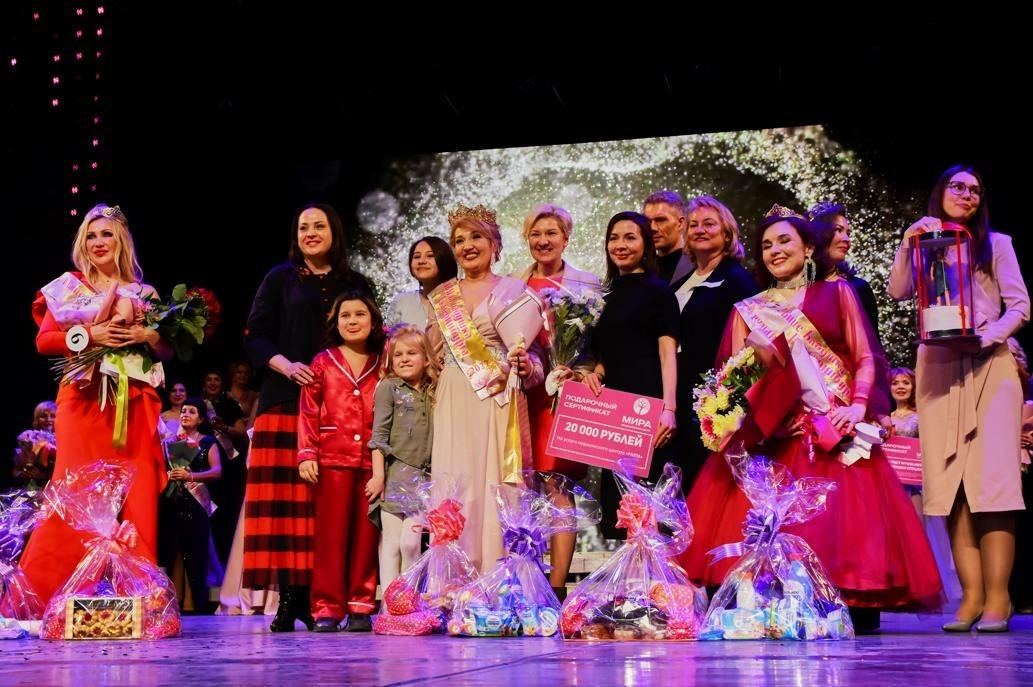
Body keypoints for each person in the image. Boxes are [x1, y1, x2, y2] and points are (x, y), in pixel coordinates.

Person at [682, 206, 943, 633]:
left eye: (784, 241)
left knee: (843, 530)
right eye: (767, 245)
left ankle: (847, 603)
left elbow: (864, 356)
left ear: (807, 248)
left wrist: (857, 405)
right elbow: (732, 381)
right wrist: (758, 418)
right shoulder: (748, 310)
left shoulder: (838, 293)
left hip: (834, 429)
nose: (775, 250)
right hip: (776, 438)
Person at [888, 165, 1029, 632]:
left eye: (976, 190)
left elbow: (1021, 305)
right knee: (952, 487)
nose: (967, 194)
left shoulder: (998, 244)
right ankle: (970, 598)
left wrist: (989, 337)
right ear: (941, 192)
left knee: (994, 485)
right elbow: (899, 290)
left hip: (990, 365)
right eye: (958, 186)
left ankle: (998, 598)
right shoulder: (925, 241)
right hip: (939, 368)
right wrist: (908, 241)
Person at [21, 203, 172, 606]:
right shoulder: (69, 287)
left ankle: (140, 598)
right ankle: (48, 597)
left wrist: (148, 335)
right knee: (74, 492)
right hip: (82, 402)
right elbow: (44, 341)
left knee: (138, 494)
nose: (98, 242)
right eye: (90, 235)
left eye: (106, 234)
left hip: (134, 403)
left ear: (121, 240)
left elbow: (167, 352)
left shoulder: (145, 294)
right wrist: (92, 335)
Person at [242, 203, 374, 632]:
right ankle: (292, 599)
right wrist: (286, 366)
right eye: (303, 227)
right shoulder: (279, 278)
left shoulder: (356, 284)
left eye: (319, 226)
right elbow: (255, 336)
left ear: (334, 231)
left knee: (331, 509)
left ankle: (334, 598)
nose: (311, 233)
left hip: (345, 410)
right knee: (288, 507)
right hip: (285, 399)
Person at [427, 203, 545, 572]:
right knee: (457, 478)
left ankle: (499, 575)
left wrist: (528, 367)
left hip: (498, 396)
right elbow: (433, 356)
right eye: (459, 240)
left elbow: (535, 358)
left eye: (476, 236)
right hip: (454, 395)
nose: (467, 246)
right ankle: (455, 579)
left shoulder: (514, 290)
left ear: (494, 243)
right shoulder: (441, 297)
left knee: (496, 481)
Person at [511, 203, 600, 597]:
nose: (543, 240)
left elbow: (598, 343)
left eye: (551, 233)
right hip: (522, 394)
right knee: (522, 487)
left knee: (558, 485)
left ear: (566, 237)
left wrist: (587, 370)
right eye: (535, 233)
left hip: (563, 395)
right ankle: (525, 581)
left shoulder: (587, 284)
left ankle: (558, 587)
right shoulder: (512, 285)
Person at [580, 211, 679, 540]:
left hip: (648, 404)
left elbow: (667, 353)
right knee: (622, 506)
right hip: (615, 411)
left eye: (630, 237)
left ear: (646, 245)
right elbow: (606, 352)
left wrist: (669, 408)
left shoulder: (659, 292)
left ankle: (657, 575)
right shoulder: (602, 298)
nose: (620, 245)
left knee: (653, 507)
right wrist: (596, 373)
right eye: (614, 238)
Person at [298, 292, 383, 632]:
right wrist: (307, 453)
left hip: (372, 463)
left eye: (360, 314)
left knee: (367, 535)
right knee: (331, 538)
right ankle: (327, 608)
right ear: (335, 323)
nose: (352, 320)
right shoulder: (323, 361)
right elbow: (308, 410)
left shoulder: (383, 362)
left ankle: (361, 605)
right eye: (345, 315)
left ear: (373, 321)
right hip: (332, 459)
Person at [671, 196, 759, 487]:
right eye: (693, 225)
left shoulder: (737, 280)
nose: (699, 230)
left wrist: (729, 400)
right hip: (679, 399)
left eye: (709, 224)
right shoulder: (680, 284)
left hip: (714, 404)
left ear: (727, 232)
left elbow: (752, 348)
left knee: (707, 484)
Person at [368, 325, 434, 592]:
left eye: (412, 353)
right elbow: (378, 436)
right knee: (392, 544)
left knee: (411, 543)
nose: (404, 359)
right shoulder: (389, 388)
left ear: (426, 358)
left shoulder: (433, 390)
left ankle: (408, 599)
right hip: (395, 477)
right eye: (398, 355)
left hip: (423, 480)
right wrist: (378, 476)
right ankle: (389, 602)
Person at [158, 397, 223, 614]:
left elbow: (217, 471)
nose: (185, 414)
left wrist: (190, 476)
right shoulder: (170, 443)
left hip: (196, 504)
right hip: (173, 502)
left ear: (201, 419)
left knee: (195, 552)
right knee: (173, 551)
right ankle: (174, 602)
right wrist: (169, 474)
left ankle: (195, 603)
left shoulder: (207, 442)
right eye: (184, 411)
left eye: (192, 412)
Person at [808, 201, 881, 332]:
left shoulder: (858, 288)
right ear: (819, 234)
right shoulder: (796, 287)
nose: (847, 239)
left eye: (848, 233)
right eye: (838, 230)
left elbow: (872, 342)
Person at [385, 236, 458, 330]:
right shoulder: (401, 301)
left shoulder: (460, 297)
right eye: (417, 257)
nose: (421, 261)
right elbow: (389, 337)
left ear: (445, 260)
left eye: (430, 256)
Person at [643, 190, 693, 285]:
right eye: (648, 221)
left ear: (680, 223)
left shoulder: (700, 265)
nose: (652, 228)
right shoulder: (641, 268)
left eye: (660, 220)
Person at [12, 401, 57, 491]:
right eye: (43, 416)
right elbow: (15, 472)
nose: (48, 419)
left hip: (56, 489)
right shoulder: (29, 438)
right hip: (32, 490)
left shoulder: (63, 440)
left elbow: (68, 470)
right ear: (37, 419)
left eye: (53, 416)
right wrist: (24, 473)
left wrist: (42, 475)